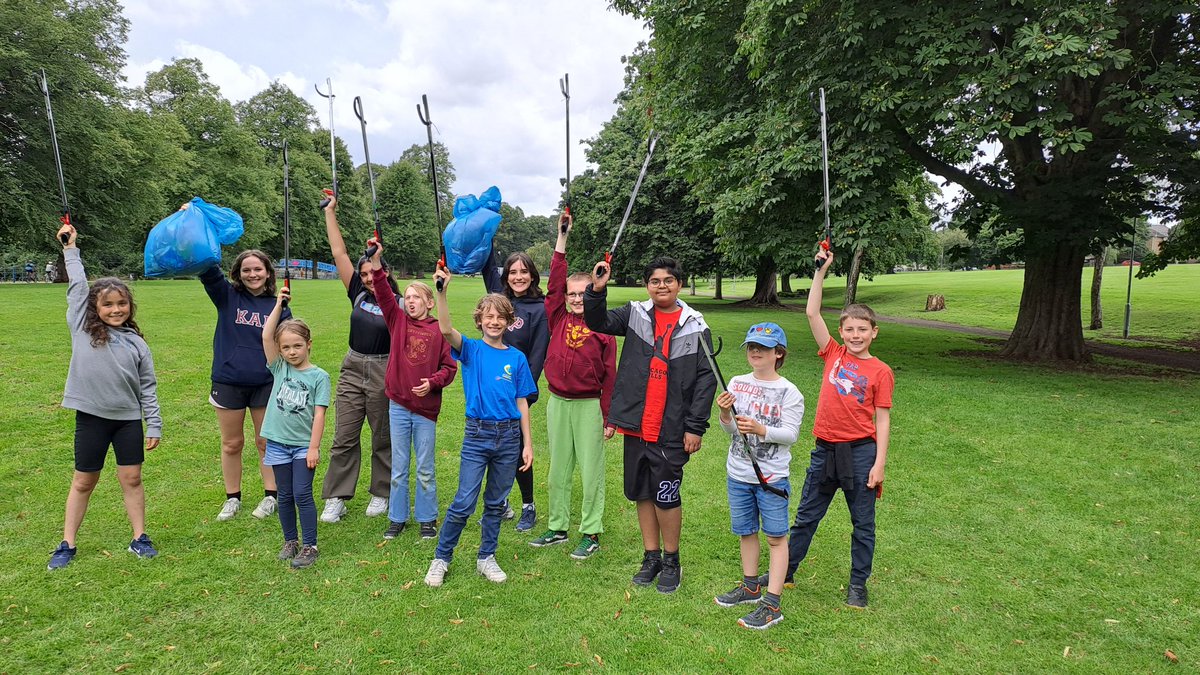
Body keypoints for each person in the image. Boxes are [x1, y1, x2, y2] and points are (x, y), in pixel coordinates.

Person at [583, 256, 716, 594]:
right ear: (647, 286)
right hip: (637, 424)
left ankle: (672, 560)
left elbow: (706, 380)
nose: (661, 286)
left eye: (668, 280)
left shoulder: (696, 325)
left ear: (679, 284)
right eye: (655, 281)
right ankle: (651, 557)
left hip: (671, 428)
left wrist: (695, 426)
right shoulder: (635, 314)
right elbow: (597, 321)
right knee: (642, 492)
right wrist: (596, 290)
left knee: (666, 495)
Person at [783, 249, 893, 608]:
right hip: (825, 450)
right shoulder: (834, 353)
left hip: (860, 454)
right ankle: (786, 571)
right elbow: (812, 313)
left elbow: (882, 419)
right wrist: (820, 271)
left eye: (862, 330)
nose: (855, 335)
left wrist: (879, 463)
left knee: (863, 523)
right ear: (841, 332)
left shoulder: (881, 371)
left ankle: (858, 584)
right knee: (806, 517)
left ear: (874, 333)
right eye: (849, 329)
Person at [47, 223, 161, 570]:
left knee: (132, 479)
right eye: (108, 304)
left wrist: (154, 424)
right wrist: (70, 249)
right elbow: (77, 287)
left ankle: (139, 537)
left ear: (130, 306)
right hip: (92, 419)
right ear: (94, 308)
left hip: (127, 421)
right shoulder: (82, 328)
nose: (115, 309)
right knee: (84, 480)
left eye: (121, 303)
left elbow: (148, 386)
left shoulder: (137, 343)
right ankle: (67, 543)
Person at [424, 267, 536, 587]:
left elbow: (521, 402)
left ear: (508, 321)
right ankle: (441, 557)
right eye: (488, 317)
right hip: (477, 435)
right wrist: (442, 293)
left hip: (509, 438)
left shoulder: (517, 358)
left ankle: (486, 556)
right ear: (479, 320)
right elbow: (446, 329)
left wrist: (527, 444)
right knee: (463, 502)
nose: (494, 322)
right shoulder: (471, 350)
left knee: (496, 503)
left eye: (500, 317)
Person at [528, 213, 616, 560]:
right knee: (558, 469)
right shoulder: (557, 317)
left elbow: (610, 376)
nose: (578, 299)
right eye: (573, 294)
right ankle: (558, 526)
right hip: (558, 403)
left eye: (584, 293)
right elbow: (553, 282)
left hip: (589, 405)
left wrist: (609, 417)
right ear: (564, 297)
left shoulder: (603, 326)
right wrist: (561, 238)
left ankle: (591, 532)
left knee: (591, 471)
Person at [712, 322, 804, 630]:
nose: (755, 352)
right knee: (746, 531)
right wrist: (725, 413)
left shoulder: (790, 392)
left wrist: (762, 429)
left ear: (779, 353)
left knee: (776, 538)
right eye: (752, 346)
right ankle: (751, 587)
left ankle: (772, 603)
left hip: (771, 478)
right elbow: (730, 430)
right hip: (738, 473)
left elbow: (791, 434)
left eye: (763, 348)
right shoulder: (736, 383)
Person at [366, 239, 456, 540]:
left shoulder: (440, 330)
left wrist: (432, 382)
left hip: (426, 410)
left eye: (417, 297)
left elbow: (449, 368)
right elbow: (382, 291)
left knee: (425, 468)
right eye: (407, 297)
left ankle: (427, 518)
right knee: (400, 466)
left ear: (430, 302)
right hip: (399, 406)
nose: (411, 301)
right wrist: (376, 262)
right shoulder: (398, 321)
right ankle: (397, 517)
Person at [199, 241, 289, 522]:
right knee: (232, 443)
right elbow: (207, 268)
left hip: (265, 383)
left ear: (268, 272)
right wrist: (201, 228)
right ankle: (232, 498)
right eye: (246, 270)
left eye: (258, 269)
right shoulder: (227, 296)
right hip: (229, 381)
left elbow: (288, 343)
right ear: (238, 273)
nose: (252, 274)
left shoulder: (278, 305)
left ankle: (271, 496)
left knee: (265, 442)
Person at [317, 196, 393, 524]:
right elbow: (339, 253)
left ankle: (382, 492)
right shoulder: (357, 293)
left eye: (372, 272)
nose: (368, 278)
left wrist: (376, 258)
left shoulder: (397, 302)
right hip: (352, 367)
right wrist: (330, 213)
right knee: (344, 435)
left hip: (383, 368)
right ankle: (337, 496)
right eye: (363, 274)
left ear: (383, 271)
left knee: (382, 435)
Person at [260, 288, 330, 568]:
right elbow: (266, 336)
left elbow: (320, 414)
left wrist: (313, 447)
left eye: (297, 346)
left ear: (308, 344)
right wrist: (279, 305)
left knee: (302, 493)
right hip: (278, 444)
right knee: (285, 494)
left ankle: (310, 545)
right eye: (286, 347)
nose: (291, 352)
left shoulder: (319, 376)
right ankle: (291, 540)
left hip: (303, 446)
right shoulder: (280, 368)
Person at [483, 246, 549, 531]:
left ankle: (528, 505)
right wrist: (486, 230)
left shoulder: (539, 308)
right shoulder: (499, 301)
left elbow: (538, 354)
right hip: (492, 390)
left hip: (519, 391)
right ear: (505, 276)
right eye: (512, 272)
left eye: (524, 271)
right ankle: (501, 503)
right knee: (493, 447)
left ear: (532, 275)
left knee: (519, 446)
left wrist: (524, 391)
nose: (518, 277)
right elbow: (487, 263)